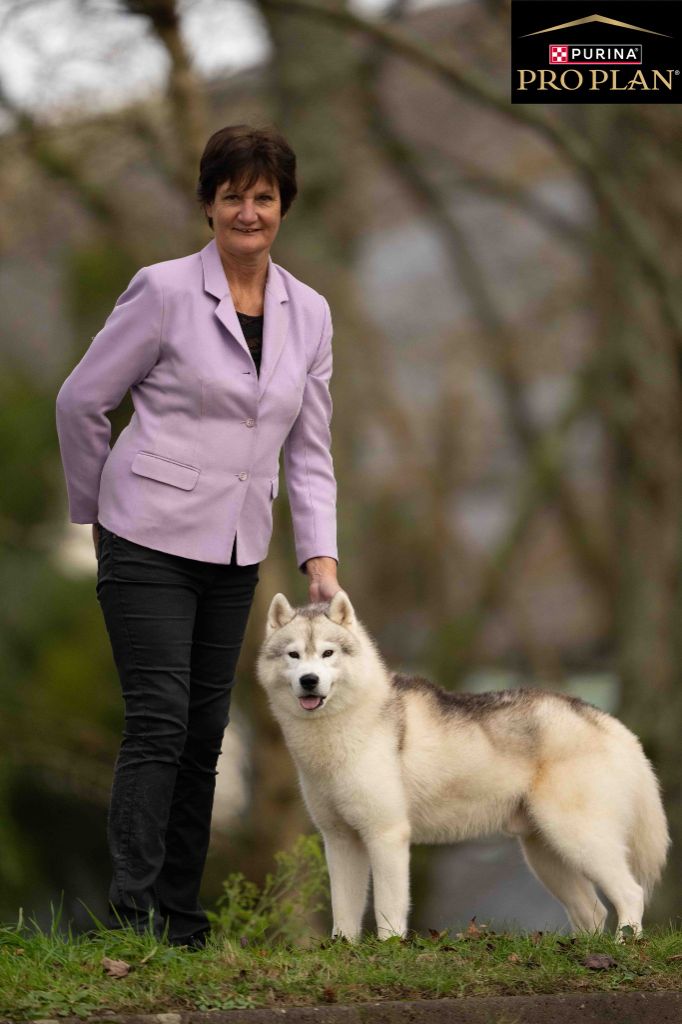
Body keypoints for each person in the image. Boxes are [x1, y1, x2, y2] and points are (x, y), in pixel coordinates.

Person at [55, 123, 341, 950]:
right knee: (160, 720)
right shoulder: (164, 290)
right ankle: (134, 916)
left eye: (264, 197)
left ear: (283, 205)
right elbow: (81, 401)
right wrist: (95, 510)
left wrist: (319, 553)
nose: (248, 212)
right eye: (232, 196)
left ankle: (181, 921)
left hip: (236, 550)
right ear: (208, 204)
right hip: (144, 537)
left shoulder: (310, 312)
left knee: (207, 732)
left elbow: (310, 446)